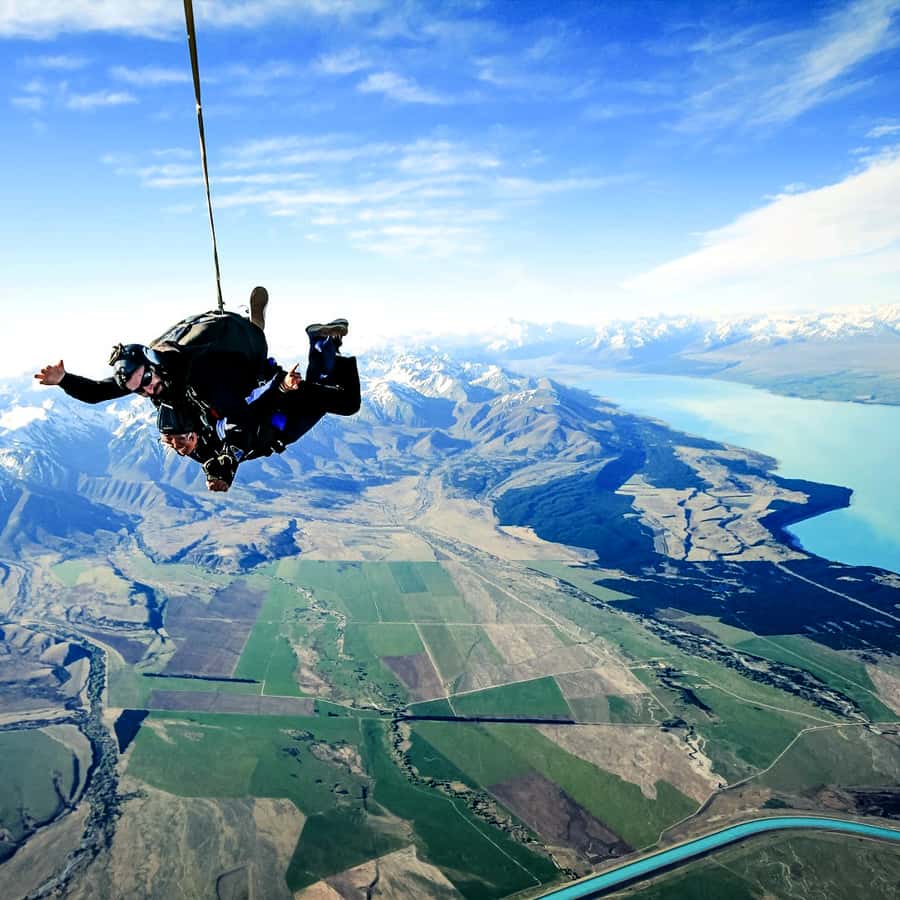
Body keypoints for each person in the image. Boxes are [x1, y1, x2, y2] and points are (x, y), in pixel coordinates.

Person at [34, 287, 276, 426]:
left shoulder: (187, 355)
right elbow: (97, 393)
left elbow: (221, 330)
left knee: (233, 400)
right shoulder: (138, 375)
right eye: (139, 390)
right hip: (201, 371)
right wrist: (63, 379)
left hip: (236, 349)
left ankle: (255, 323)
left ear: (154, 364)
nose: (148, 390)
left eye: (147, 380)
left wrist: (252, 335)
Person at [159, 335, 360, 491]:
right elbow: (220, 459)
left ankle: (324, 342)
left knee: (347, 402)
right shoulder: (197, 444)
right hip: (279, 425)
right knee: (327, 398)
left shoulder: (219, 426)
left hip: (282, 408)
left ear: (190, 432)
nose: (183, 451)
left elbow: (253, 410)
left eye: (181, 443)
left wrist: (283, 387)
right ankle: (325, 344)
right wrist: (220, 477)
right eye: (176, 447)